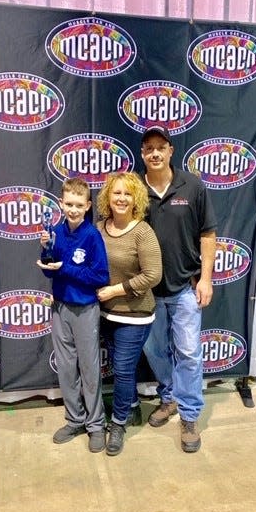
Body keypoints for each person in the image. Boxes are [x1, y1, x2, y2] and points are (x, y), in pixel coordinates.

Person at [139, 125, 217, 453]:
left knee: (187, 352)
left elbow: (208, 235)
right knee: (154, 351)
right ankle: (168, 398)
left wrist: (206, 278)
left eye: (160, 147)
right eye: (148, 149)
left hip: (185, 287)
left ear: (171, 150)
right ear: (143, 155)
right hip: (147, 291)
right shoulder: (134, 191)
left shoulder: (193, 186)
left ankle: (188, 414)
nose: (154, 153)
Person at [36, 177, 110, 453]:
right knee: (66, 368)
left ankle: (95, 425)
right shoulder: (54, 230)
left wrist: (64, 267)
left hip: (86, 310)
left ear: (88, 205)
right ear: (60, 203)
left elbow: (100, 275)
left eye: (79, 205)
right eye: (69, 204)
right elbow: (48, 270)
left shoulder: (92, 236)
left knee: (90, 370)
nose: (73, 209)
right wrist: (45, 251)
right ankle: (74, 419)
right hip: (60, 308)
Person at [96, 172, 162, 456]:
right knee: (122, 368)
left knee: (122, 369)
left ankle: (119, 424)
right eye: (116, 193)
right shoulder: (98, 228)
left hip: (134, 314)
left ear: (136, 199)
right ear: (107, 198)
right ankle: (133, 408)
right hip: (104, 313)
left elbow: (153, 275)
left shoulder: (142, 232)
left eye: (127, 193)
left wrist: (115, 291)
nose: (121, 198)